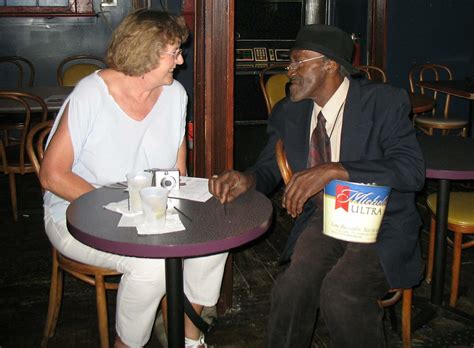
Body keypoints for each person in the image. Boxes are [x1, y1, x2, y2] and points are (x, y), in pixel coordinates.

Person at [209, 24, 425, 347]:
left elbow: (412, 172)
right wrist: (247, 178)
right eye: (289, 63)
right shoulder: (289, 112)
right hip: (326, 219)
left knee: (340, 293)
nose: (289, 71)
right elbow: (269, 167)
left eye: (298, 62)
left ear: (330, 64)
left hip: (382, 222)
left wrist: (336, 171)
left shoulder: (383, 103)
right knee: (290, 287)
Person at [40, 10, 227, 348]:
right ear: (146, 53)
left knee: (215, 238)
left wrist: (175, 206)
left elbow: (177, 172)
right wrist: (125, 208)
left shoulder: (175, 96)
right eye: (174, 52)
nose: (181, 61)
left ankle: (189, 337)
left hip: (150, 208)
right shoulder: (92, 94)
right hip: (77, 210)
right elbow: (53, 175)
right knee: (152, 266)